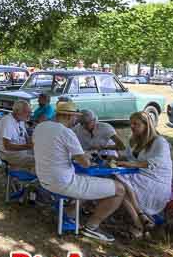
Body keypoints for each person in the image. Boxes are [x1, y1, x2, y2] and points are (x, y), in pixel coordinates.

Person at [32, 101, 126, 242]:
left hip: (44, 179)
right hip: (63, 182)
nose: (77, 122)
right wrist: (86, 156)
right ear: (69, 117)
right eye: (76, 118)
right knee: (119, 189)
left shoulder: (40, 127)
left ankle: (71, 211)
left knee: (87, 180)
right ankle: (91, 227)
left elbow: (51, 150)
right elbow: (86, 163)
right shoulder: (66, 132)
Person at [115, 111, 173, 238]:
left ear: (147, 125)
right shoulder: (134, 140)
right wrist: (115, 158)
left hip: (156, 181)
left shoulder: (159, 142)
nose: (132, 126)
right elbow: (130, 157)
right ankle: (141, 222)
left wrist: (131, 165)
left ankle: (139, 223)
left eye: (136, 124)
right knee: (118, 186)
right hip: (140, 176)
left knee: (119, 185)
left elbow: (156, 162)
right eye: (131, 124)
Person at [0, 100, 34, 169]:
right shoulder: (8, 121)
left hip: (20, 151)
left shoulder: (20, 119)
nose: (29, 115)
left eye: (30, 112)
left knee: (42, 155)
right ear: (17, 112)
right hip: (9, 154)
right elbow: (7, 146)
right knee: (39, 161)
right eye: (27, 112)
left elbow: (26, 137)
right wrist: (28, 146)